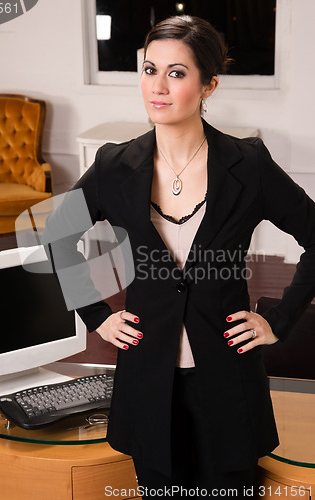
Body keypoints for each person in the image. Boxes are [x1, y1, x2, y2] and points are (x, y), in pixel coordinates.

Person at [44, 16, 315, 499]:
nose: (158, 87)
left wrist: (280, 318)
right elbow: (58, 234)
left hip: (228, 377)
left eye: (177, 73)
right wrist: (95, 316)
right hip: (148, 377)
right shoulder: (113, 164)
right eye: (150, 70)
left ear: (209, 84)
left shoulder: (247, 163)